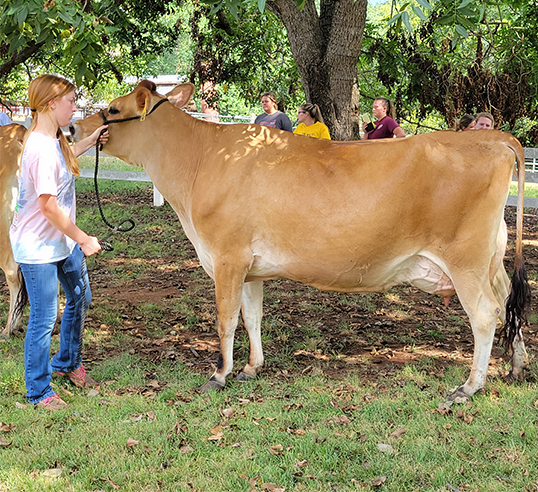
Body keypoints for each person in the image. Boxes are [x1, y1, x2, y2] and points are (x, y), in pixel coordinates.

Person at [9, 74, 109, 411]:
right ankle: (38, 391)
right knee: (44, 316)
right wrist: (84, 238)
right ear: (52, 103)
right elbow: (48, 206)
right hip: (38, 247)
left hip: (59, 242)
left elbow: (65, 161)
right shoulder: (40, 149)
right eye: (71, 101)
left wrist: (91, 140)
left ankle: (66, 363)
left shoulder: (53, 140)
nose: (75, 107)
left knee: (81, 295)